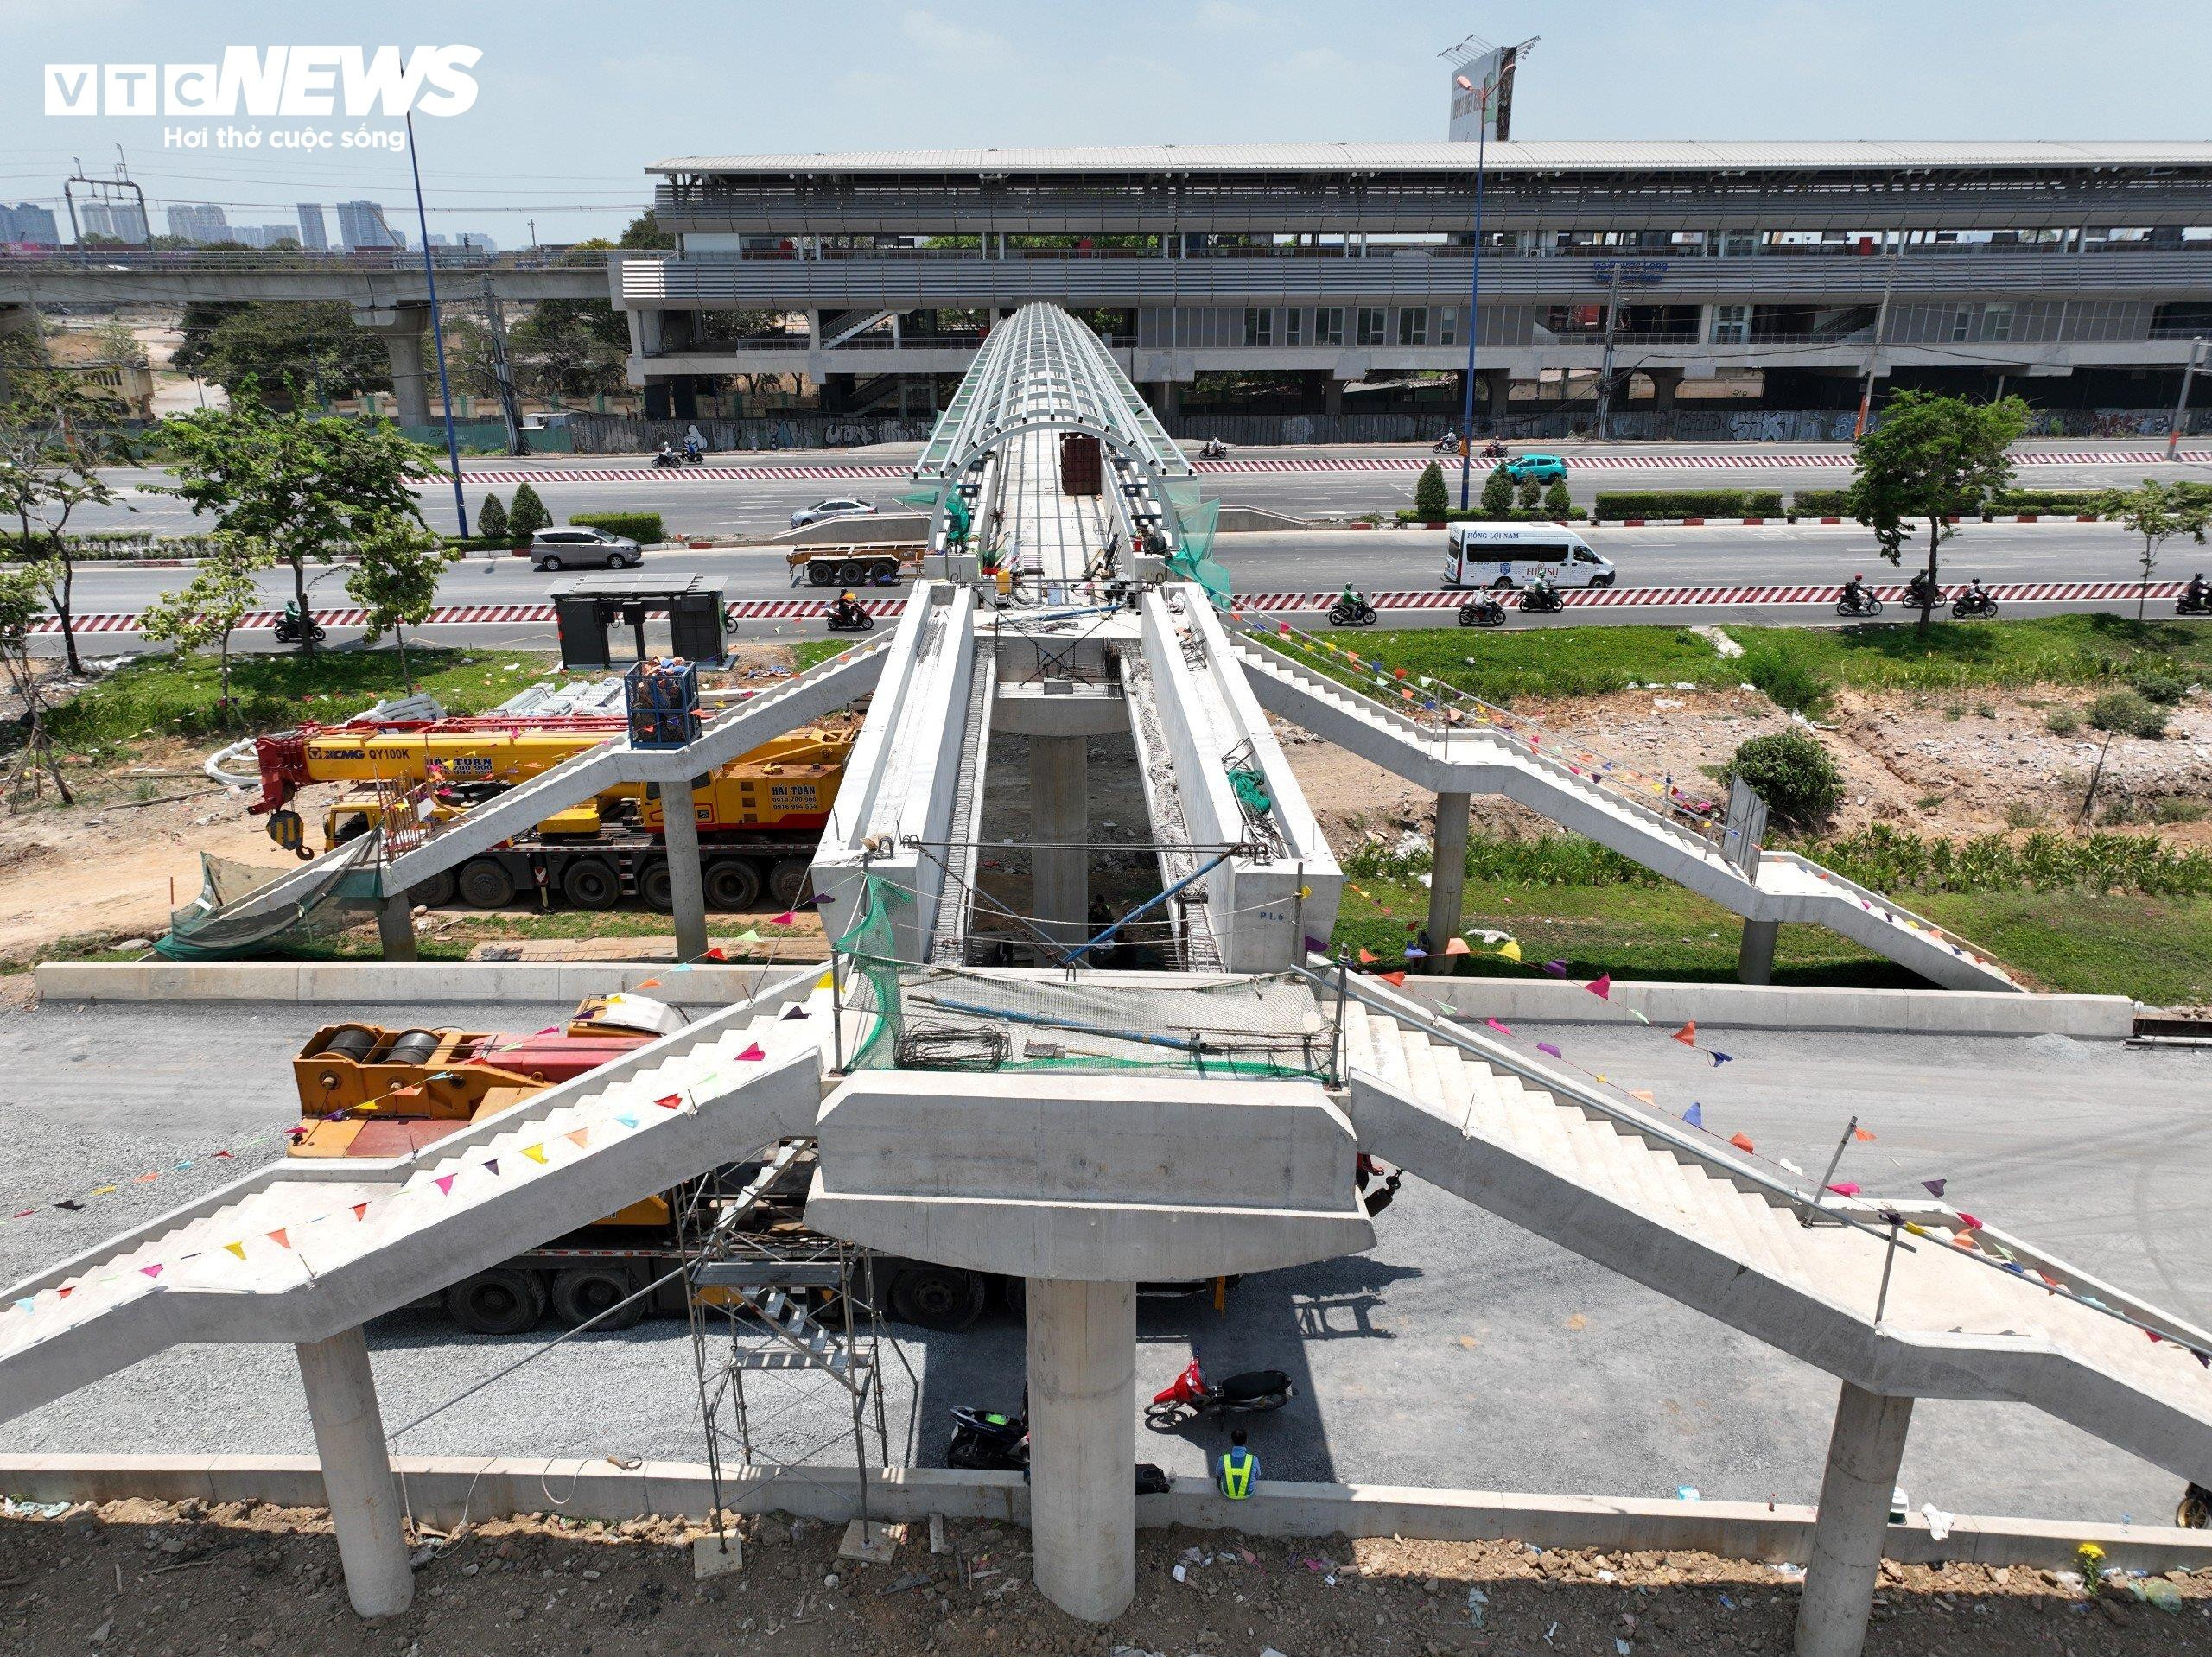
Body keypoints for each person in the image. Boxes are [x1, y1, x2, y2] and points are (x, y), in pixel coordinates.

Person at [1217, 1428, 1258, 1501]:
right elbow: (1258, 1475)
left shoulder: (1223, 1459)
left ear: (1231, 1441)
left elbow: (1218, 1475)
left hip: (1227, 1494)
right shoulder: (1253, 1459)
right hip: (1248, 1494)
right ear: (1246, 1441)